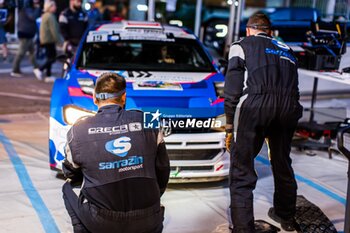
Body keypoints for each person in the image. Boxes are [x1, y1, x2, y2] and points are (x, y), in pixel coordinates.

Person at [62, 72, 170, 233]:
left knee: (68, 187)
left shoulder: (77, 130)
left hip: (103, 222)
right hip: (149, 218)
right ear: (124, 97)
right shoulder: (149, 121)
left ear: (94, 98)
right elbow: (163, 169)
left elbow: (70, 171)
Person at [224, 13, 303, 232]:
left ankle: (243, 228)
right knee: (282, 162)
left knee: (241, 169)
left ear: (249, 30)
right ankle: (285, 216)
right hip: (288, 107)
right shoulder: (288, 50)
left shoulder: (241, 46)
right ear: (269, 31)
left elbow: (232, 90)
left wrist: (230, 126)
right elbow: (295, 88)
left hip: (255, 105)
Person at [11, 0, 42, 78]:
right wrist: (38, 9)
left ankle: (37, 67)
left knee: (32, 52)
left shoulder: (26, 9)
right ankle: (15, 69)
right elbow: (33, 17)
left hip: (27, 34)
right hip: (25, 34)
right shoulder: (27, 9)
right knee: (21, 53)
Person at [39, 0, 63, 81]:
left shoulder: (46, 15)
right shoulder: (50, 16)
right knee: (52, 57)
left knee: (50, 57)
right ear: (50, 7)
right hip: (49, 40)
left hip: (46, 39)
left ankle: (48, 75)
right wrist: (59, 41)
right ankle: (40, 69)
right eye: (54, 6)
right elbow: (54, 30)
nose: (55, 7)